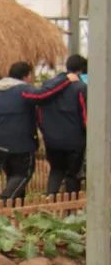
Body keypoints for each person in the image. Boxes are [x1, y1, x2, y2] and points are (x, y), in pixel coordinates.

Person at [0, 61, 74, 201]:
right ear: (26, 76)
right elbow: (42, 95)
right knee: (23, 174)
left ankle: (15, 211)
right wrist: (65, 79)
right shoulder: (23, 90)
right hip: (20, 143)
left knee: (12, 175)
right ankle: (4, 200)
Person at [40, 54, 88, 195]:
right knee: (72, 175)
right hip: (73, 140)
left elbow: (40, 113)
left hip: (52, 140)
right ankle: (71, 211)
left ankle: (49, 203)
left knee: (56, 171)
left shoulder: (48, 86)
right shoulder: (80, 88)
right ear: (81, 70)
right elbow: (85, 115)